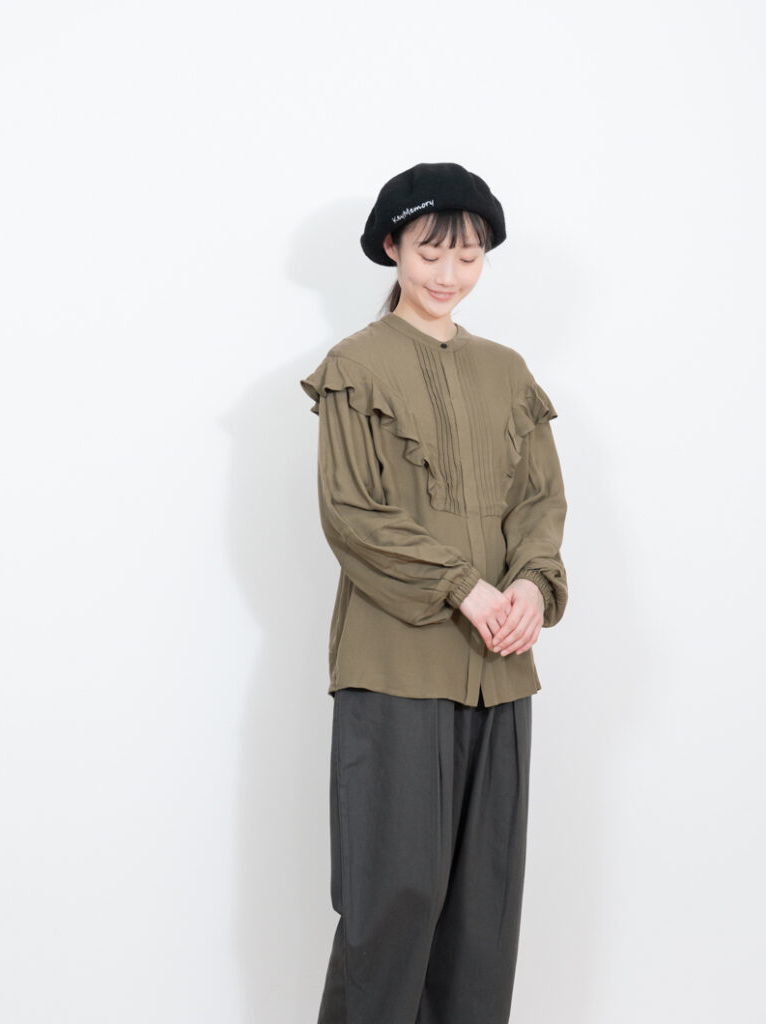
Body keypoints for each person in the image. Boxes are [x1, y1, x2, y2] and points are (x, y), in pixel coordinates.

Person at [299, 162, 568, 1024]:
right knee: (392, 906)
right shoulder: (355, 367)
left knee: (484, 919)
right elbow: (351, 515)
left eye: (468, 256)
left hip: (501, 671)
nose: (449, 274)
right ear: (392, 248)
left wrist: (531, 585)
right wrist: (461, 588)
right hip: (394, 669)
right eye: (430, 253)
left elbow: (539, 503)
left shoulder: (507, 371)